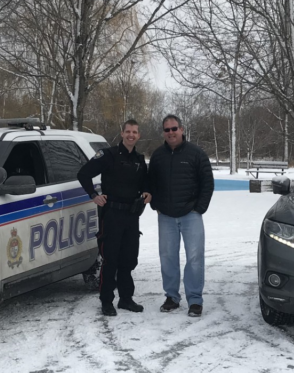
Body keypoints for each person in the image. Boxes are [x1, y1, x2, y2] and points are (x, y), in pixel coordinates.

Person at [77, 119, 152, 316]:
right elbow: (83, 174)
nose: (131, 135)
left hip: (131, 216)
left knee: (128, 260)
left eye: (135, 132)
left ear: (139, 135)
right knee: (110, 259)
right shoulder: (108, 155)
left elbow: (145, 183)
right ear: (122, 133)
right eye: (128, 131)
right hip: (111, 215)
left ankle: (126, 299)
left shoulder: (138, 159)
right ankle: (106, 301)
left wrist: (147, 192)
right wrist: (94, 195)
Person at [148, 114, 214, 317]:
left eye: (174, 128)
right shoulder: (158, 155)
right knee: (167, 258)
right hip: (166, 216)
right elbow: (150, 183)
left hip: (190, 215)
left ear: (182, 129)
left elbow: (207, 183)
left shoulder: (196, 153)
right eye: (167, 130)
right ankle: (171, 297)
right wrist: (156, 206)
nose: (171, 133)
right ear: (163, 132)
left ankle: (195, 299)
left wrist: (199, 208)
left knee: (194, 258)